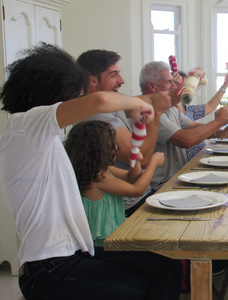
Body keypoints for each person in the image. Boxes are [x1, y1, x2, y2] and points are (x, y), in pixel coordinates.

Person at [0, 43, 179, 299]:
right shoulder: (26, 125)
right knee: (138, 288)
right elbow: (101, 100)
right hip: (50, 269)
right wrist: (140, 105)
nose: (75, 99)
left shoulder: (33, 132)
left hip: (74, 253)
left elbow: (108, 103)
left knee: (166, 267)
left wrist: (145, 105)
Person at [64, 120, 182, 299]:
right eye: (111, 144)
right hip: (103, 246)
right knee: (168, 267)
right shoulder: (98, 177)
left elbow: (131, 177)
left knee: (163, 261)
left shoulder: (101, 170)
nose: (116, 148)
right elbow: (136, 190)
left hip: (111, 241)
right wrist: (153, 164)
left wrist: (135, 155)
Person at [77, 50, 174, 216]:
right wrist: (156, 114)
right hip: (128, 208)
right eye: (114, 74)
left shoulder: (113, 102)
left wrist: (186, 89)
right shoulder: (98, 118)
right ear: (92, 80)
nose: (121, 80)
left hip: (141, 197)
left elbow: (162, 98)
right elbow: (141, 160)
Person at [139, 61, 228, 189]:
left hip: (179, 177)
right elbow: (185, 139)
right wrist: (218, 122)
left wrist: (220, 133)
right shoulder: (149, 111)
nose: (173, 86)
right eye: (169, 82)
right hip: (161, 187)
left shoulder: (170, 108)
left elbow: (192, 126)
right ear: (152, 86)